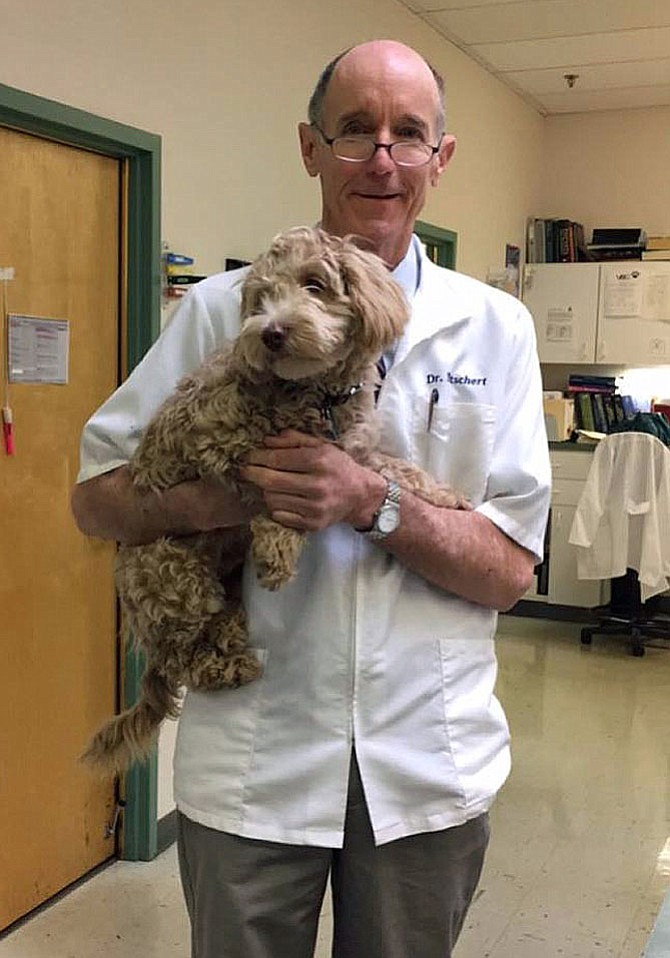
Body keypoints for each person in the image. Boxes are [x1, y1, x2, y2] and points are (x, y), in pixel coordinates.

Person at [72, 39, 551, 958]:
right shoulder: (223, 310)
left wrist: (373, 500)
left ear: (439, 160)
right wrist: (229, 497)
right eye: (354, 131)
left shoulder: (496, 328)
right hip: (255, 761)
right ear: (309, 148)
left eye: (407, 133)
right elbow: (96, 502)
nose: (381, 157)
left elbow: (510, 571)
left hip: (425, 764)